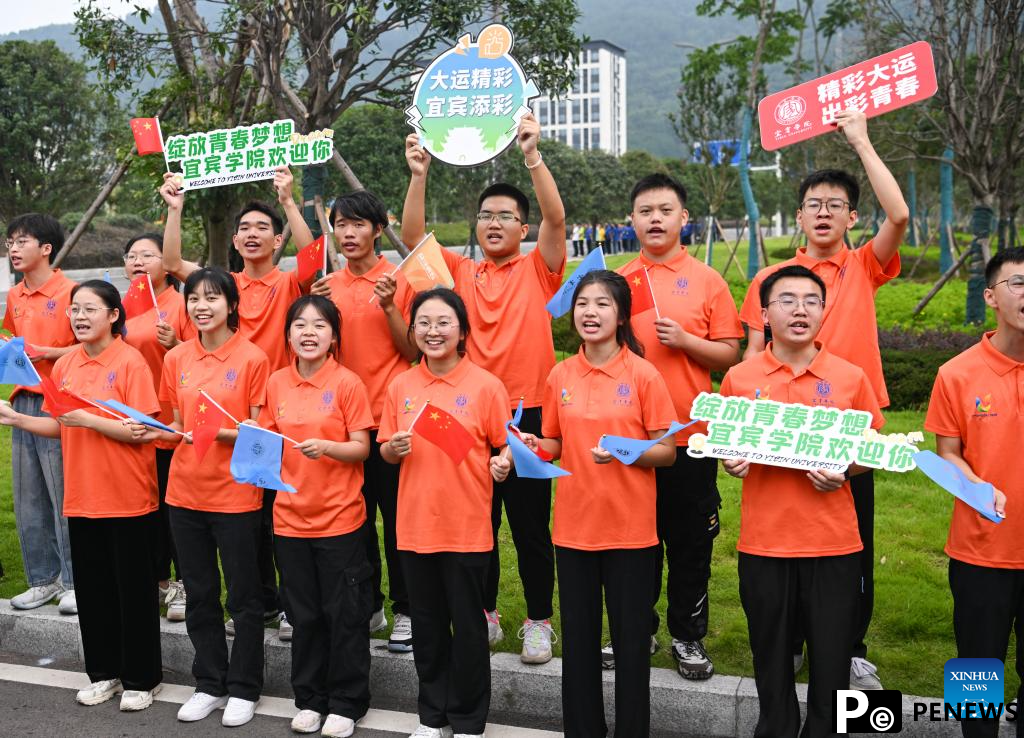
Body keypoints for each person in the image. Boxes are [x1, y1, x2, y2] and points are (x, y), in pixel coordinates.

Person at [738, 110, 909, 688]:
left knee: (849, 537)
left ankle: (848, 646)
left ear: (850, 216)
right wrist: (741, 426)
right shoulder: (774, 277)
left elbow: (900, 214)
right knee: (780, 531)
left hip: (845, 415)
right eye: (814, 203)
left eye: (836, 205)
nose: (824, 212)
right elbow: (750, 354)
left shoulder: (864, 265)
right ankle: (786, 642)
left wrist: (860, 139)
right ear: (801, 213)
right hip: (780, 414)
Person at [403, 112, 566, 663]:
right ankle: (487, 611)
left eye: (506, 217)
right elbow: (412, 241)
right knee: (480, 522)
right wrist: (419, 174)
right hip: (471, 415)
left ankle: (540, 620)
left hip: (531, 415)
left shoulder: (538, 269)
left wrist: (532, 155)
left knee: (529, 525)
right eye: (485, 216)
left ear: (523, 228)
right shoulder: (461, 274)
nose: (494, 223)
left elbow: (557, 217)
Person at [720, 265, 883, 738]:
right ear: (765, 313)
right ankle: (774, 728)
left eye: (812, 300)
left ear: (824, 311)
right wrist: (732, 460)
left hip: (833, 544)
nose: (800, 309)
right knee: (769, 655)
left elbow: (872, 449)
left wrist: (846, 469)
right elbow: (728, 445)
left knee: (832, 658)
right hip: (764, 544)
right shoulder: (740, 379)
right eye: (787, 300)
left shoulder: (849, 377)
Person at [160, 166, 317, 637]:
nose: (252, 235)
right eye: (244, 228)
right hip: (231, 411)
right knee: (248, 520)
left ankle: (286, 604)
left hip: (282, 409)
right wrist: (175, 208)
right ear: (233, 238)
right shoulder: (223, 286)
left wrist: (289, 201)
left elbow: (313, 257)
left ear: (275, 240)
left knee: (282, 514)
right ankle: (263, 604)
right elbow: (172, 263)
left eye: (262, 228)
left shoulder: (289, 283)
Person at [519, 270, 676, 737]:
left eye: (602, 304)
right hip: (572, 528)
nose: (590, 312)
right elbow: (554, 442)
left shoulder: (643, 374)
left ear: (622, 314)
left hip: (630, 531)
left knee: (630, 648)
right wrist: (533, 444)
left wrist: (627, 451)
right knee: (581, 646)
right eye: (583, 303)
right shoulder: (560, 374)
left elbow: (666, 451)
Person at [1, 279, 163, 711]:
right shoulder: (67, 363)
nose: (80, 316)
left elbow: (144, 431)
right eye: (75, 309)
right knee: (94, 594)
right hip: (82, 496)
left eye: (90, 309)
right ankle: (104, 673)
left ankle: (143, 679)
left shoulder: (131, 363)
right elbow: (61, 424)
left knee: (133, 593)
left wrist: (88, 419)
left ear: (113, 315)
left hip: (129, 497)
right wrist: (17, 419)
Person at [610, 174, 743, 680]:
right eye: (645, 211)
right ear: (632, 220)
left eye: (666, 210)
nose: (655, 219)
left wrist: (687, 340)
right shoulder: (620, 284)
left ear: (684, 218)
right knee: (633, 545)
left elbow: (730, 353)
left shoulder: (708, 281)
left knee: (689, 544)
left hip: (690, 437)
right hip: (633, 439)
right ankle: (635, 630)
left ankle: (687, 636)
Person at [137, 267, 271, 727]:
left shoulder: (253, 358)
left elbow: (260, 433)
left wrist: (218, 432)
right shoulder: (176, 359)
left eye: (212, 298)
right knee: (199, 593)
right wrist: (155, 430)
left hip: (235, 493)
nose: (201, 306)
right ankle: (209, 682)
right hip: (184, 492)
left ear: (231, 305)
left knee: (244, 597)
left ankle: (244, 686)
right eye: (194, 298)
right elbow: (174, 426)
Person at [378, 288, 511, 738]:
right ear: (413, 331)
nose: (433, 331)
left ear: (462, 331)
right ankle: (432, 716)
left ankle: (470, 719)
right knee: (429, 627)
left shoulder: (486, 386)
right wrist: (392, 449)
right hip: (414, 527)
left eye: (443, 323)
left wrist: (503, 463)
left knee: (469, 628)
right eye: (424, 323)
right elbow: (385, 449)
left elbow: (504, 445)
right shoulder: (401, 386)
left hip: (467, 526)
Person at [260, 295, 375, 737]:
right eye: (300, 325)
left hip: (340, 520)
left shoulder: (347, 383)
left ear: (334, 337)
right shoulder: (276, 384)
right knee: (302, 615)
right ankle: (309, 698)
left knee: (344, 614)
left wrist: (327, 448)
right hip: (289, 519)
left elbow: (362, 447)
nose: (309, 333)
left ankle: (347, 702)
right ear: (287, 335)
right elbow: (268, 441)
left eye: (320, 325)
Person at [310, 190, 417, 652]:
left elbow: (413, 352)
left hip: (389, 422)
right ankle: (369, 603)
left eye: (358, 224)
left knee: (397, 523)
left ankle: (407, 611)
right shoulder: (327, 285)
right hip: (343, 425)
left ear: (378, 229)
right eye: (341, 224)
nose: (349, 233)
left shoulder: (396, 280)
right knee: (354, 521)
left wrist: (392, 305)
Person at [924, 247, 1023, 738]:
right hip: (981, 549)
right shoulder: (957, 373)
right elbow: (948, 453)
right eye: (1019, 283)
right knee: (977, 669)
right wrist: (977, 484)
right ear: (991, 296)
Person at [3, 213, 78, 614]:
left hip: (60, 402)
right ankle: (43, 580)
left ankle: (73, 580)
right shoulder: (15, 296)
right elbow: (11, 341)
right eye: (10, 242)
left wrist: (47, 353)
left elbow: (90, 345)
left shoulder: (71, 291)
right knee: (28, 496)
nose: (13, 248)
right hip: (22, 401)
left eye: (21, 241)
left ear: (46, 248)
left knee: (62, 494)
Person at [121, 232, 195, 620]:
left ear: (165, 265)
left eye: (147, 255)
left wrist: (174, 344)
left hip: (168, 421)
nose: (137, 261)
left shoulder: (181, 304)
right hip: (129, 423)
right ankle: (156, 578)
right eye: (131, 255)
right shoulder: (120, 310)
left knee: (172, 505)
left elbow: (199, 360)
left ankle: (182, 583)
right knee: (141, 508)